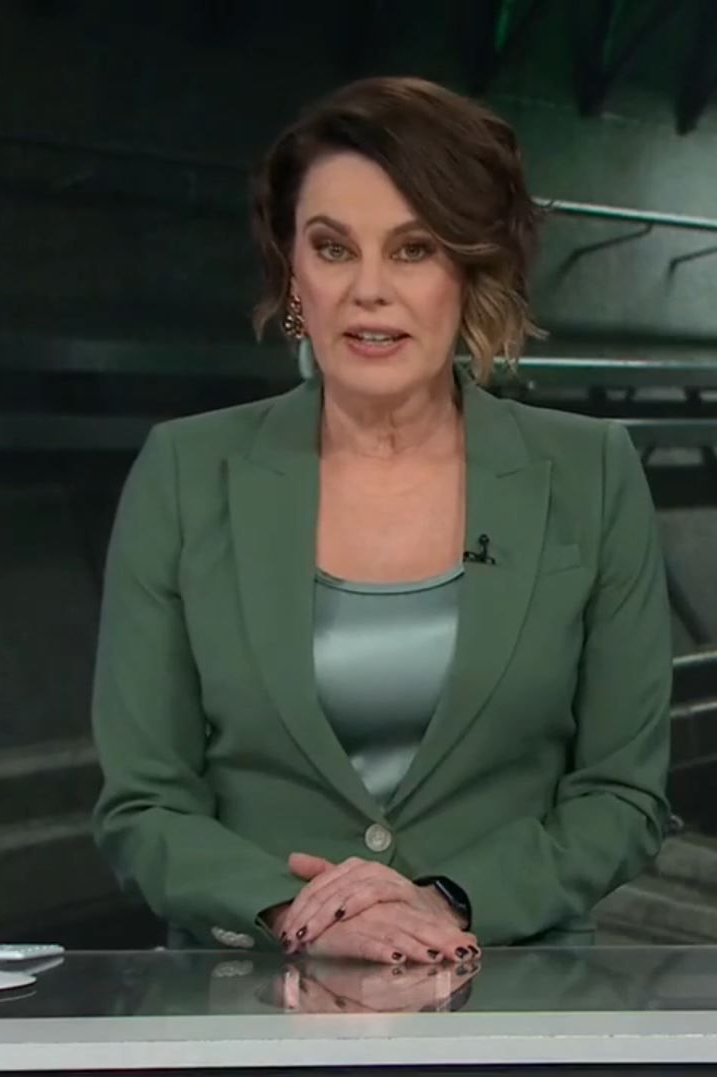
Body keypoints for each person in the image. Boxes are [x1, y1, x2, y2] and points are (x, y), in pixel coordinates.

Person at [88, 76, 672, 962]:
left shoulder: (591, 474)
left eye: (412, 249)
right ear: (292, 273)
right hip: (251, 996)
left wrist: (444, 902)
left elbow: (623, 796)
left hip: (509, 993)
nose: (369, 290)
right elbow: (143, 803)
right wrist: (303, 912)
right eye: (333, 248)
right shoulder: (185, 472)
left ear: (470, 269)